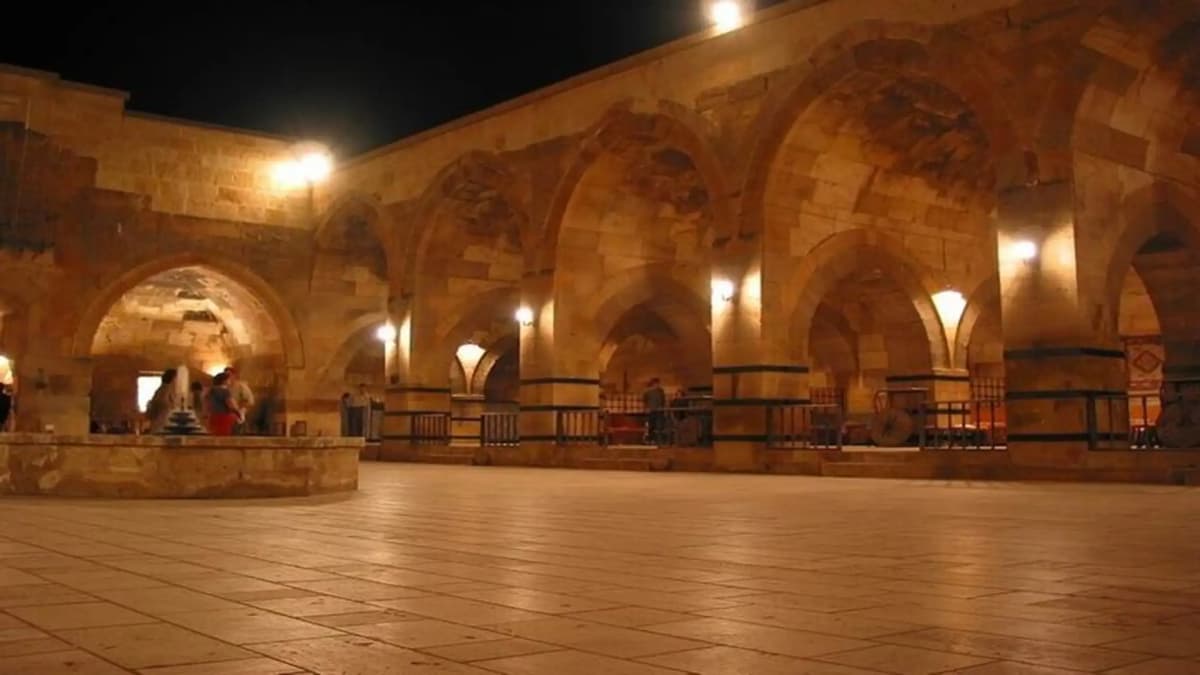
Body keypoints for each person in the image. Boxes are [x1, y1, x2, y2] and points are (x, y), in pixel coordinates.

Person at [206, 372, 241, 436]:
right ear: (224, 381)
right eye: (229, 379)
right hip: (224, 417)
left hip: (213, 416)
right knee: (225, 437)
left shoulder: (211, 390)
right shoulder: (225, 391)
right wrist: (238, 412)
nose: (230, 381)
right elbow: (231, 404)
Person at [145, 368, 180, 434]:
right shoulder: (164, 390)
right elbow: (163, 405)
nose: (177, 381)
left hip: (161, 426)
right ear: (173, 379)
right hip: (160, 426)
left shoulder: (163, 390)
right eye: (176, 378)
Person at [224, 368, 255, 434]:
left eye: (229, 375)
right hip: (226, 413)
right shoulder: (224, 387)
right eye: (225, 375)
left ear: (234, 375)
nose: (227, 377)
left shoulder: (241, 386)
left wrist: (239, 409)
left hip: (239, 412)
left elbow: (249, 401)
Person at [642, 378, 667, 445]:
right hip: (651, 410)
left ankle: (658, 440)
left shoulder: (661, 391)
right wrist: (647, 408)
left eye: (658, 383)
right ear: (653, 384)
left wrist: (662, 408)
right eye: (656, 383)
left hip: (659, 410)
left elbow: (663, 400)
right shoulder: (648, 391)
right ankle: (651, 440)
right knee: (651, 426)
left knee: (659, 426)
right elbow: (645, 400)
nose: (657, 385)